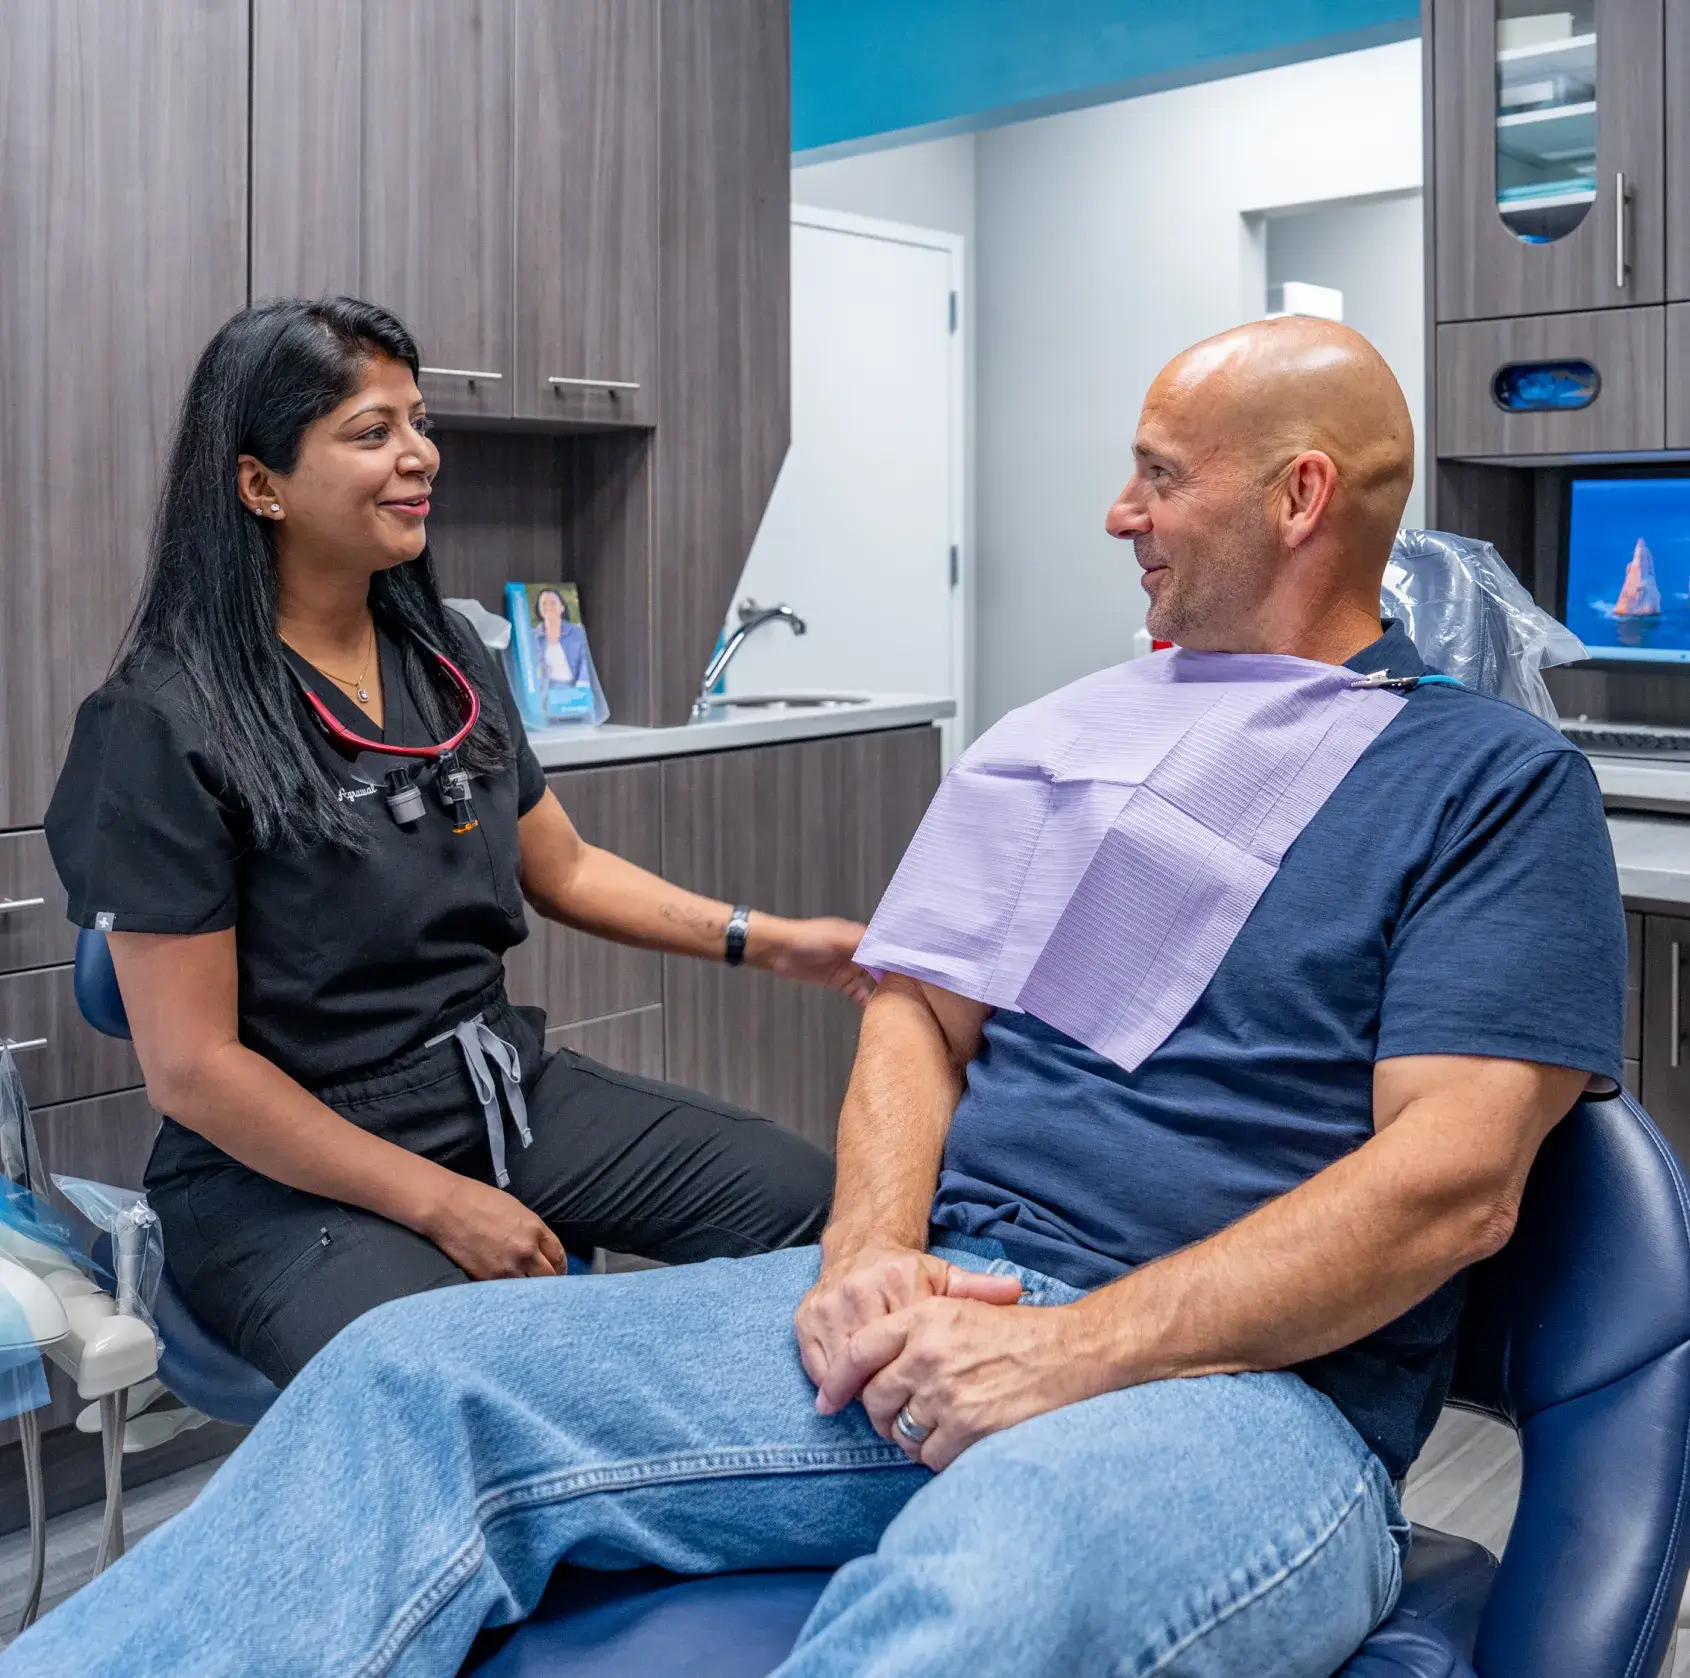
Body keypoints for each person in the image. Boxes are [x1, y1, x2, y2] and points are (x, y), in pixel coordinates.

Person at [7, 318, 1626, 1678]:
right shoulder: (1068, 744)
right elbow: (918, 1015)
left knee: (994, 1574)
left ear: (1299, 497)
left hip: (1244, 1387)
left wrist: (1080, 1349)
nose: (1117, 513)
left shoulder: (1487, 782)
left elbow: (1451, 1184)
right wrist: (867, 1254)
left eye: (1156, 473)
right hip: (957, 1291)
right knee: (419, 1374)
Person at [40, 297, 861, 1390]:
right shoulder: (160, 720)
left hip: (496, 1093)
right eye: (371, 432)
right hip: (281, 1169)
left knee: (821, 1204)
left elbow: (561, 866)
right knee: (473, 1377)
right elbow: (194, 1071)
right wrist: (444, 1202)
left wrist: (773, 940)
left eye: (418, 423)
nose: (420, 455)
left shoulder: (449, 656)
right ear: (259, 484)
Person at [532, 586, 590, 707]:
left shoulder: (577, 633)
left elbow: (586, 661)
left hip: (573, 689)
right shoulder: (532, 636)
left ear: (562, 608)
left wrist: (582, 689)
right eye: (543, 604)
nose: (548, 607)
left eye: (553, 603)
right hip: (544, 691)